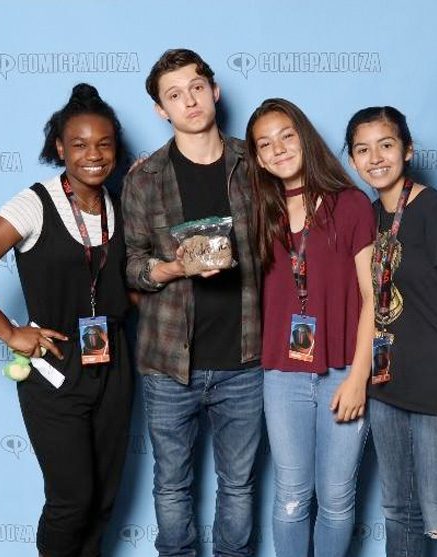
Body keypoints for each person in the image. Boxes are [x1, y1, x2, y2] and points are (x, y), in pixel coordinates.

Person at [0, 84, 133, 557]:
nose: (93, 155)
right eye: (79, 144)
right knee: (72, 501)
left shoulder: (119, 206)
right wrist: (11, 332)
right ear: (59, 148)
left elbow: (120, 286)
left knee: (104, 501)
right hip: (56, 369)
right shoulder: (35, 202)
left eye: (104, 144)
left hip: (115, 366)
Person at [122, 49, 263, 557]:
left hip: (246, 360)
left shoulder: (254, 164)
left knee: (240, 485)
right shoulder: (143, 179)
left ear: (215, 90)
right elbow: (131, 264)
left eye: (196, 87)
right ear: (161, 110)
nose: (189, 101)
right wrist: (174, 267)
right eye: (174, 95)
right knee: (171, 485)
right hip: (168, 365)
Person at [345, 106, 437, 556]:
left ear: (407, 150)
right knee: (398, 513)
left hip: (436, 392)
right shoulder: (367, 216)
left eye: (386, 145)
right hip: (386, 387)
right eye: (362, 150)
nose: (375, 158)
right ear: (352, 160)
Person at [246, 98, 375, 557]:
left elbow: (372, 296)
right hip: (281, 374)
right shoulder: (258, 209)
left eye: (286, 136)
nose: (278, 149)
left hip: (344, 371)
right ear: (257, 157)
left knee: (337, 500)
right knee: (291, 496)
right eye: (265, 144)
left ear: (305, 137)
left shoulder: (353, 204)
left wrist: (360, 376)